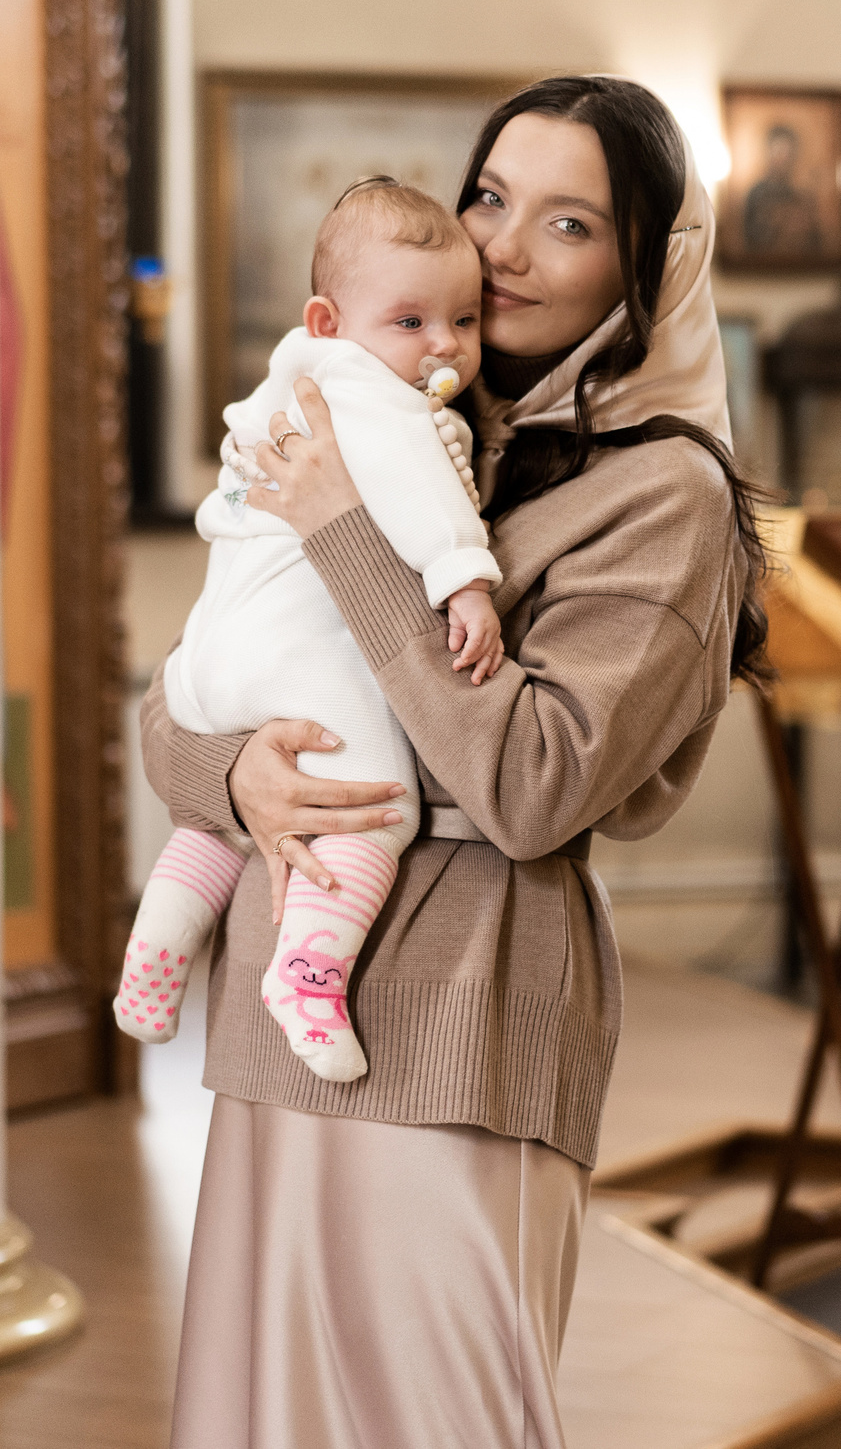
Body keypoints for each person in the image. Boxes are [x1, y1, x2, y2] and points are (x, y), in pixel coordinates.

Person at [143, 75, 769, 1447]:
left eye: (568, 224)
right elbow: (196, 673)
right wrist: (233, 774)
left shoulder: (668, 493)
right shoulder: (423, 421)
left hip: (457, 1021)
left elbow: (533, 784)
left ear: (644, 266)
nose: (500, 246)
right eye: (490, 196)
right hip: (278, 1010)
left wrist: (346, 534)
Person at [115, 178, 505, 1082]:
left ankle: (155, 954)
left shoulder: (288, 380)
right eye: (410, 322)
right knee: (378, 805)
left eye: (463, 319)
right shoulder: (372, 396)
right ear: (329, 321)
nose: (443, 345)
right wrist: (467, 583)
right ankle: (310, 975)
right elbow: (420, 489)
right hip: (294, 643)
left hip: (210, 653)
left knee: (222, 819)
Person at [741, 122, 821, 255]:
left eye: (787, 153)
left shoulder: (800, 196)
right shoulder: (756, 194)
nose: (783, 159)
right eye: (779, 152)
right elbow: (750, 238)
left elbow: (814, 241)